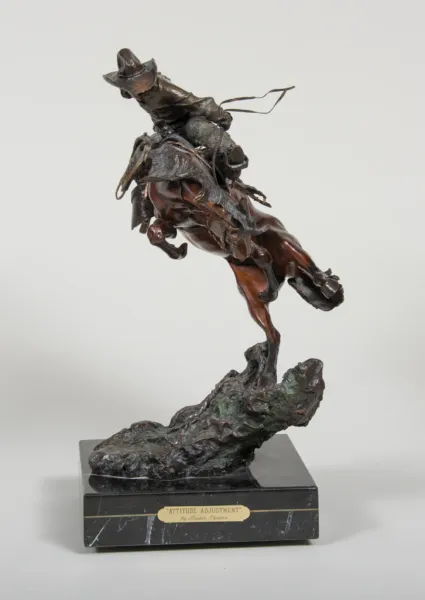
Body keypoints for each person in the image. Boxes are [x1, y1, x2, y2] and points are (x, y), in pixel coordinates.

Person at [103, 48, 249, 185]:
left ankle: (230, 154)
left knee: (199, 128)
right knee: (145, 146)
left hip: (188, 122)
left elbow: (197, 103)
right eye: (131, 86)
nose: (136, 90)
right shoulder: (133, 93)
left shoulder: (163, 87)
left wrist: (221, 116)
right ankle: (140, 187)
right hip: (167, 132)